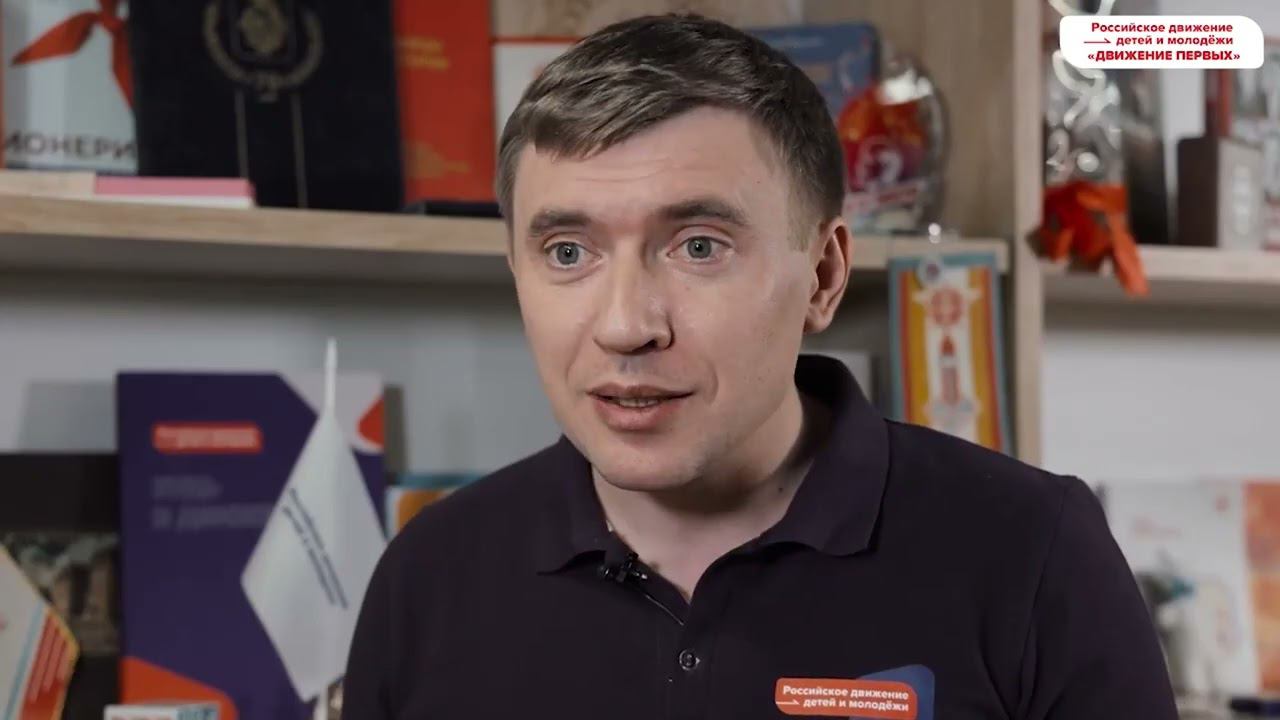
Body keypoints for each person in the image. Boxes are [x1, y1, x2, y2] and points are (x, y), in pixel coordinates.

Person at [344, 14, 1177, 719]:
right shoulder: (428, 577)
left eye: (699, 246)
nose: (626, 325)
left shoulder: (1035, 554)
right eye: (568, 251)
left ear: (823, 275)